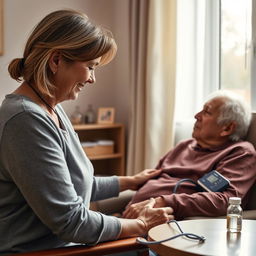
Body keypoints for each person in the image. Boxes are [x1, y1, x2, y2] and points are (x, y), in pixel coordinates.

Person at [0, 9, 173, 255]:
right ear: (56, 60)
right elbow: (71, 221)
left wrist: (130, 181)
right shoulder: (26, 120)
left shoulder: (51, 109)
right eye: (90, 67)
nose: (92, 78)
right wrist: (142, 224)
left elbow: (72, 184)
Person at [123, 90, 256, 221]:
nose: (196, 115)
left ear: (227, 128)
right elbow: (153, 182)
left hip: (162, 225)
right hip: (129, 218)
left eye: (206, 112)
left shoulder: (240, 153)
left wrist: (164, 201)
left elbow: (226, 201)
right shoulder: (184, 146)